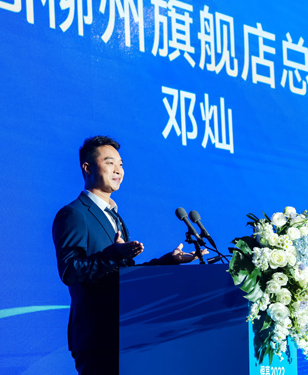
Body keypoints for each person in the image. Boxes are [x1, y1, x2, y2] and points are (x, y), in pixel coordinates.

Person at [52, 135, 202, 375]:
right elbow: (70, 270)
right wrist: (112, 254)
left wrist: (169, 261)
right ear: (87, 168)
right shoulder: (74, 214)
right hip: (98, 337)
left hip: (128, 332)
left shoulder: (115, 217)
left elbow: (126, 275)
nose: (118, 170)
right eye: (110, 163)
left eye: (120, 164)